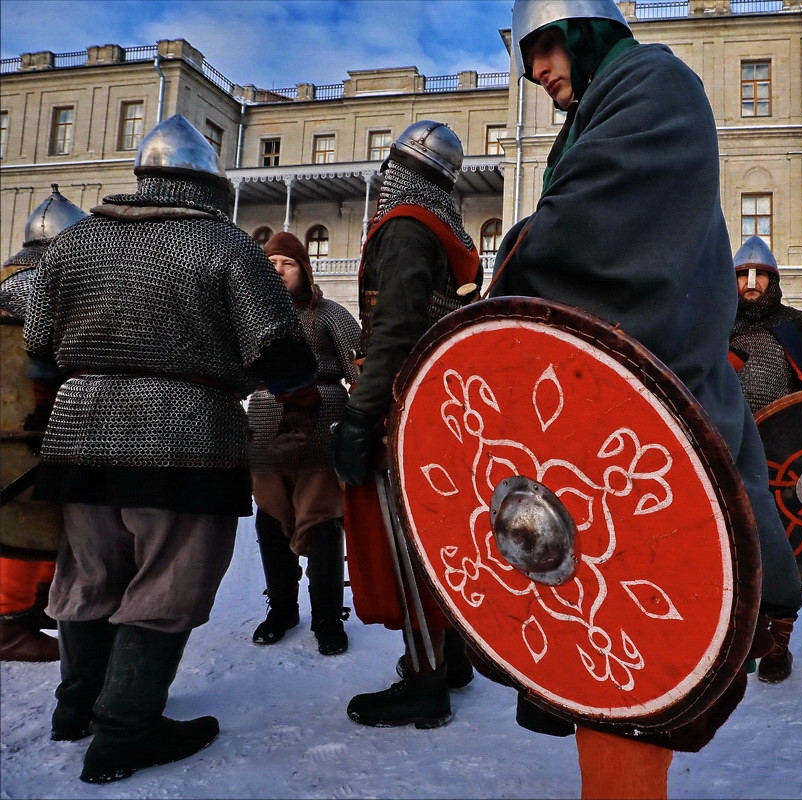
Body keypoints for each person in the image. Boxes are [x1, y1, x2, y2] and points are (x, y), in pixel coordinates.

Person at [489, 2, 802, 796]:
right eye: (527, 55)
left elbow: (595, 223)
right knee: (598, 646)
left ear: (589, 32)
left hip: (653, 417)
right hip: (607, 416)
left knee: (635, 656)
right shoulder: (607, 103)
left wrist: (518, 255)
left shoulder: (654, 83)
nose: (537, 71)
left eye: (547, 46)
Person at [23, 114, 317, 784]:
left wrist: (51, 419)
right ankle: (125, 730)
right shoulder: (223, 244)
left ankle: (78, 708)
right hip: (185, 434)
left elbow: (38, 353)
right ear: (206, 183)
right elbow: (279, 351)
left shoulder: (73, 243)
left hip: (80, 432)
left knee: (90, 573)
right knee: (168, 578)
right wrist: (302, 404)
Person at [331, 120, 480, 729]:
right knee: (437, 534)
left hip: (403, 406)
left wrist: (362, 417)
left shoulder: (404, 230)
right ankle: (452, 660)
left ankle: (425, 681)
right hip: (435, 402)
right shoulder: (441, 234)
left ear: (397, 171)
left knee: (408, 542)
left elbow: (393, 331)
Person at [727, 234, 802, 684]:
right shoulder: (716, 329)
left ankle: (778, 643)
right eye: (742, 276)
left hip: (787, 464)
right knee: (731, 552)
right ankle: (739, 640)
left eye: (760, 276)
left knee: (784, 556)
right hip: (728, 454)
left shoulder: (798, 329)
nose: (751, 284)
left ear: (774, 282)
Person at [247, 231, 360, 656]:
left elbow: (359, 368)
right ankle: (282, 610)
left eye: (287, 263)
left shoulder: (329, 314)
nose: (277, 269)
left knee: (324, 526)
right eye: (270, 262)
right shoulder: (251, 317)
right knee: (271, 522)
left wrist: (362, 422)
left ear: (304, 270)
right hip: (266, 424)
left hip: (321, 422)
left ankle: (328, 618)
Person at [0, 186, 86, 662]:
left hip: (16, 434)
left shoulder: (1, 284)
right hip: (39, 430)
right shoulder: (56, 289)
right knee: (36, 522)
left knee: (23, 521)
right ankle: (10, 623)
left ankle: (35, 607)